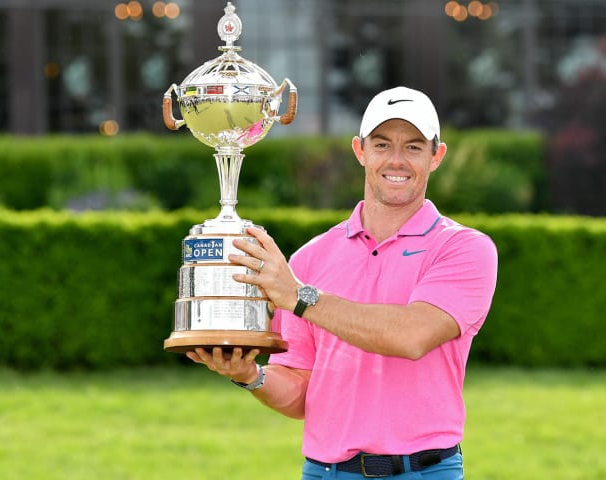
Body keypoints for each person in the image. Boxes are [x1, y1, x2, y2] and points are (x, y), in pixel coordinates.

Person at [187, 86, 498, 479]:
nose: (397, 160)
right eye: (382, 144)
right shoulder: (310, 259)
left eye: (414, 147)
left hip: (423, 472)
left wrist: (300, 296)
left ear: (437, 156)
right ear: (360, 151)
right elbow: (300, 390)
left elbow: (412, 336)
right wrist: (250, 375)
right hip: (325, 472)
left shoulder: (464, 249)